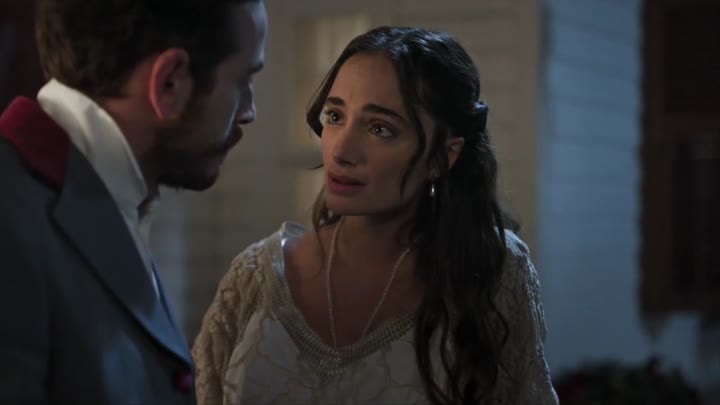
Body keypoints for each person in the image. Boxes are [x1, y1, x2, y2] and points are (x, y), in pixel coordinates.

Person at [193, 26, 558, 404]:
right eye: (335, 116)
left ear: (441, 157)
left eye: (380, 128)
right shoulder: (254, 278)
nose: (341, 151)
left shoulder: (494, 269)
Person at [0, 0, 266, 403]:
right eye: (242, 81)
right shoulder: (13, 217)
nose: (248, 111)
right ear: (169, 83)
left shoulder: (98, 194)